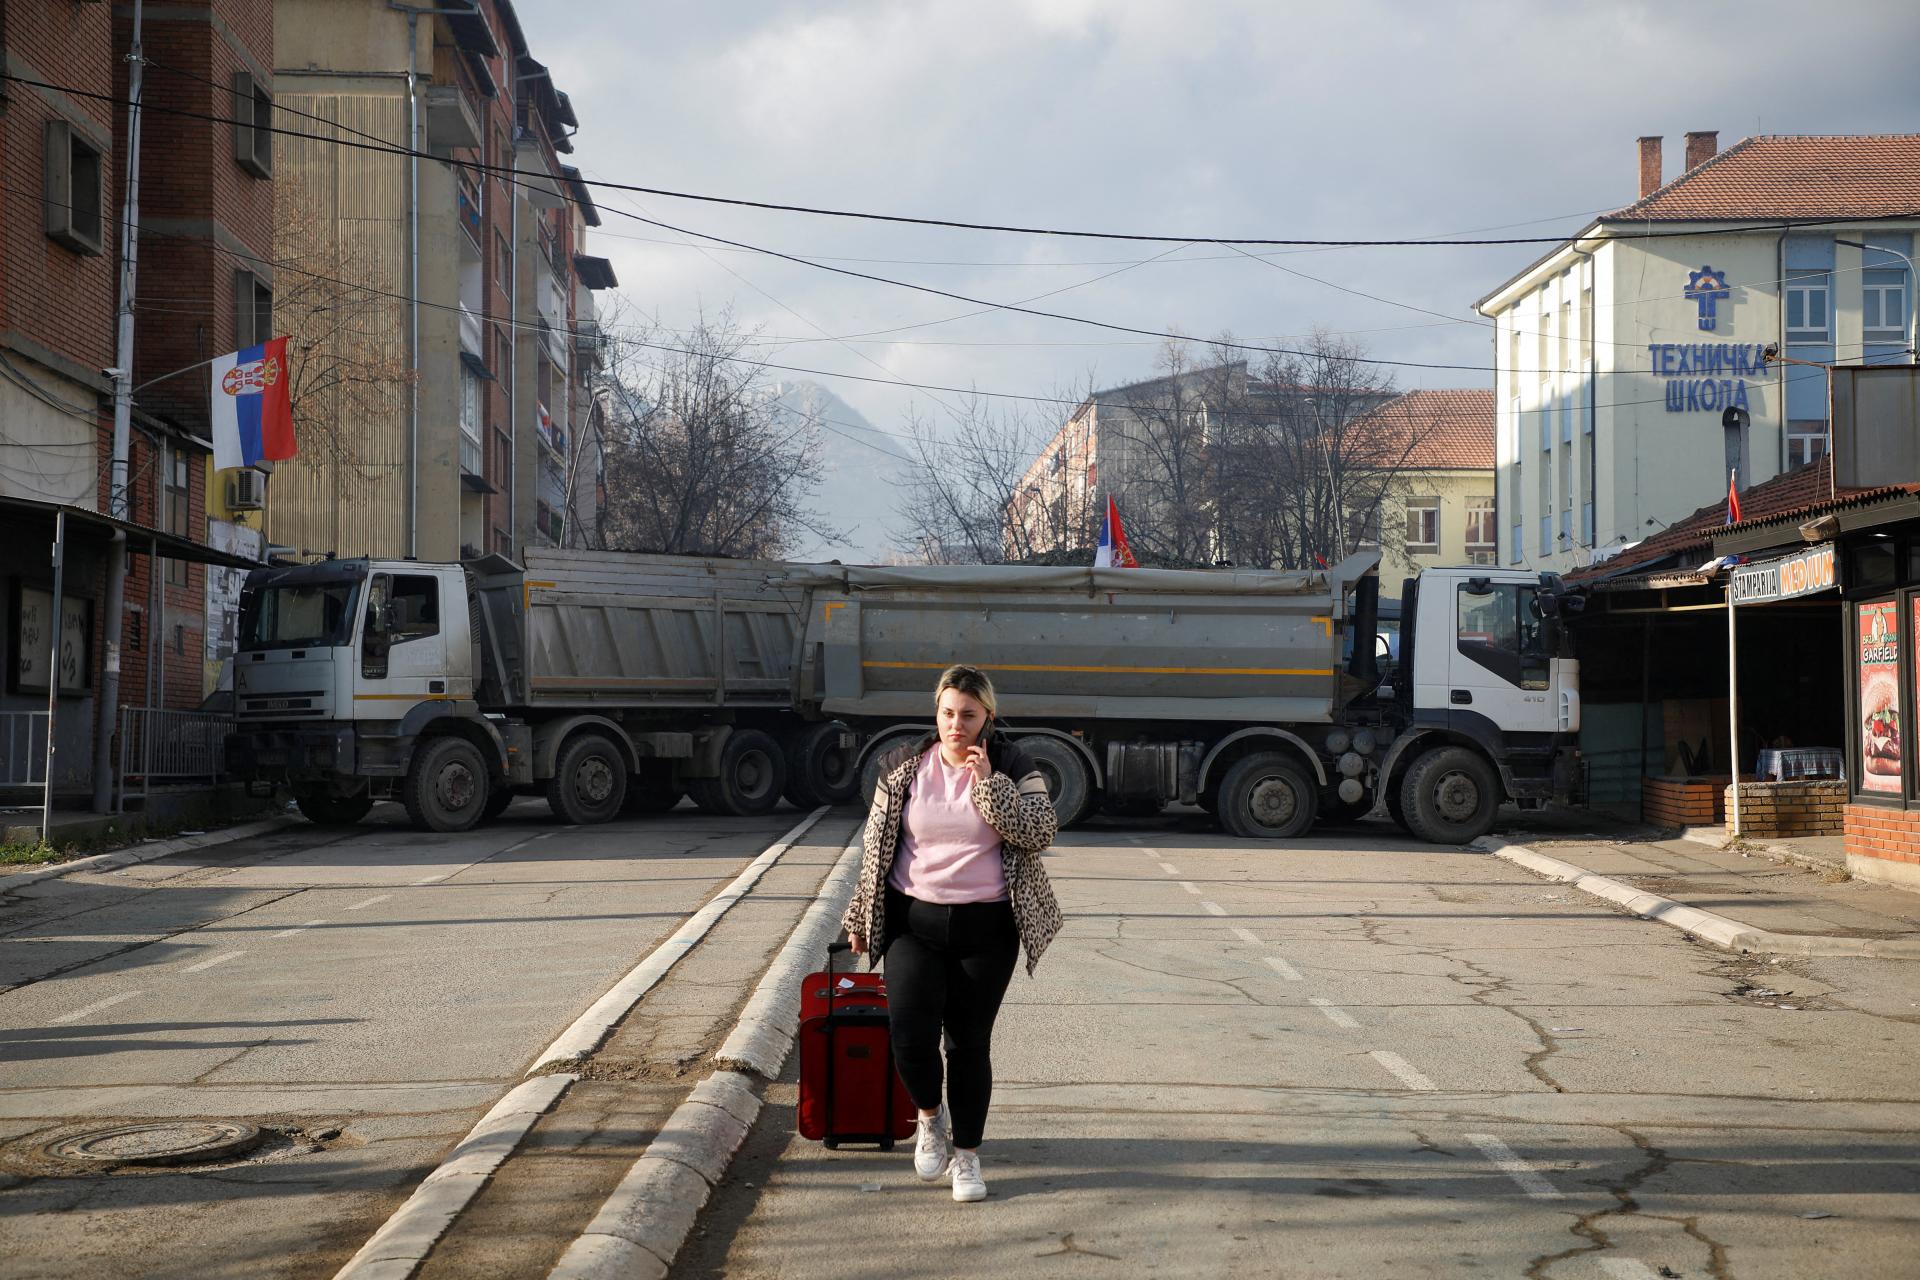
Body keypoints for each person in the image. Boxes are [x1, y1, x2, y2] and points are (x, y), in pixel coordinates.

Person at [843, 664, 1062, 1202]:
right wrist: (858, 915)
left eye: (968, 714)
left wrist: (988, 788)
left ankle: (967, 1157)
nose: (956, 725)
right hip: (912, 924)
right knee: (909, 1037)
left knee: (967, 1045)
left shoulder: (1012, 763)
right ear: (935, 713)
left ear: (987, 716)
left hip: (987, 929)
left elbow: (1039, 833)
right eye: (947, 713)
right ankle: (929, 1118)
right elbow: (874, 847)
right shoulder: (902, 767)